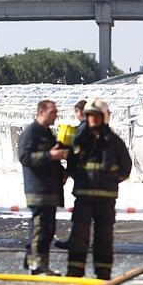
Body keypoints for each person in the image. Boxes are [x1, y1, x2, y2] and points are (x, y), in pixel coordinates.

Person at [66, 99, 132, 280]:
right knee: (79, 234)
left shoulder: (114, 142)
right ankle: (74, 271)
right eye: (90, 115)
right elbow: (71, 166)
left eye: (96, 115)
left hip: (106, 199)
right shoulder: (78, 140)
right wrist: (80, 179)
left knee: (104, 236)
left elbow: (126, 168)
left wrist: (110, 181)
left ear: (104, 117)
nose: (93, 119)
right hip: (83, 197)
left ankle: (103, 272)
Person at [18, 100, 67, 275]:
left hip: (50, 189)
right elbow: (24, 157)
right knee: (40, 227)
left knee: (48, 228)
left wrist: (61, 171)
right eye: (52, 112)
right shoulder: (32, 132)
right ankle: (35, 264)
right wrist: (50, 155)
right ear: (41, 112)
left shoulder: (47, 133)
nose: (56, 116)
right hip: (38, 189)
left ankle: (40, 263)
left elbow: (51, 157)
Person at [54, 99, 87, 250]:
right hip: (96, 182)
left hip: (84, 180)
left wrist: (67, 172)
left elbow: (74, 155)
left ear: (79, 112)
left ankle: (76, 242)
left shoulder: (81, 130)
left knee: (81, 214)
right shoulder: (97, 128)